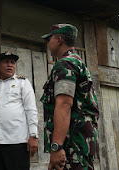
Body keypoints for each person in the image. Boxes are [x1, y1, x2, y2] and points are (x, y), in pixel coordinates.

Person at [40, 24, 99, 170]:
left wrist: (57, 147)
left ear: (59, 40)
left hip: (71, 145)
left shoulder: (65, 65)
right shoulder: (78, 63)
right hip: (79, 142)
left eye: (50, 39)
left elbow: (64, 105)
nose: (48, 43)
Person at [0, 52, 39, 170]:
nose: (10, 65)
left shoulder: (22, 83)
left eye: (12, 62)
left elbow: (31, 109)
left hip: (17, 143)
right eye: (6, 62)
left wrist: (33, 135)